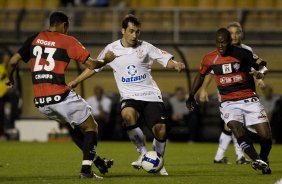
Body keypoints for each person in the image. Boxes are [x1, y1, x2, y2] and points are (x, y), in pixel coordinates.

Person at [68, 14, 185, 175]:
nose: (134, 35)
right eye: (131, 31)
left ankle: (157, 161)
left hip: (151, 95)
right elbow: (94, 67)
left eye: (137, 32)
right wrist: (76, 81)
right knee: (128, 115)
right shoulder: (112, 49)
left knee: (161, 130)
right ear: (123, 30)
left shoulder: (146, 47)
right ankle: (143, 154)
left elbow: (164, 59)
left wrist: (176, 64)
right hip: (130, 97)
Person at [5, 11, 116, 179]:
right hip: (60, 97)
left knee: (74, 129)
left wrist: (11, 79)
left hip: (42, 103)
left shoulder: (34, 38)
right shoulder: (68, 41)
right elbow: (92, 64)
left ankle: (97, 161)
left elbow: (13, 61)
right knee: (91, 126)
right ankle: (86, 171)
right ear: (65, 25)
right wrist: (106, 59)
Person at [186, 28, 272, 174]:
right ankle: (255, 158)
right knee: (234, 127)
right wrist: (191, 95)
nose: (220, 46)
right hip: (228, 102)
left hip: (249, 99)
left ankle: (263, 159)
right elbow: (201, 75)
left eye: (224, 43)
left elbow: (263, 66)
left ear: (230, 42)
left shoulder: (243, 53)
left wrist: (260, 73)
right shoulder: (209, 59)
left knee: (266, 136)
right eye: (218, 43)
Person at [199, 22, 265, 165]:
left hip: (245, 92)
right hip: (227, 92)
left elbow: (253, 67)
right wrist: (203, 89)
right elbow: (210, 71)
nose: (235, 35)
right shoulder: (220, 52)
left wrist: (258, 77)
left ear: (241, 34)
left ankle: (221, 156)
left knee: (232, 126)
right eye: (232, 33)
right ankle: (238, 156)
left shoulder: (247, 50)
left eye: (237, 32)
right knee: (235, 124)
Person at [0, 48, 21, 140]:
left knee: (14, 105)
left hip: (10, 93)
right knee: (1, 112)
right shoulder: (1, 68)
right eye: (6, 57)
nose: (7, 59)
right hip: (1, 94)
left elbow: (17, 83)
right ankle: (2, 130)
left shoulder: (13, 69)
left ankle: (10, 125)